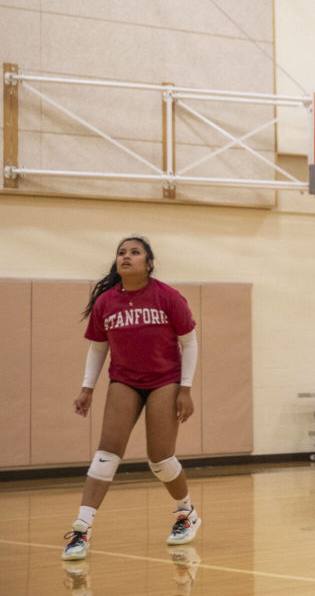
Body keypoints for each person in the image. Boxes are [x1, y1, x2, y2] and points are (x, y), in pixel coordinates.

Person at [62, 236, 200, 560]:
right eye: (121, 252)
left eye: (135, 252)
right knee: (106, 454)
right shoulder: (106, 302)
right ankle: (81, 530)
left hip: (164, 381)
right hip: (124, 380)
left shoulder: (168, 297)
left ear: (148, 263)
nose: (127, 257)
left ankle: (186, 513)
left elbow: (189, 344)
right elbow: (98, 348)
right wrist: (87, 388)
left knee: (161, 460)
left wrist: (186, 389)